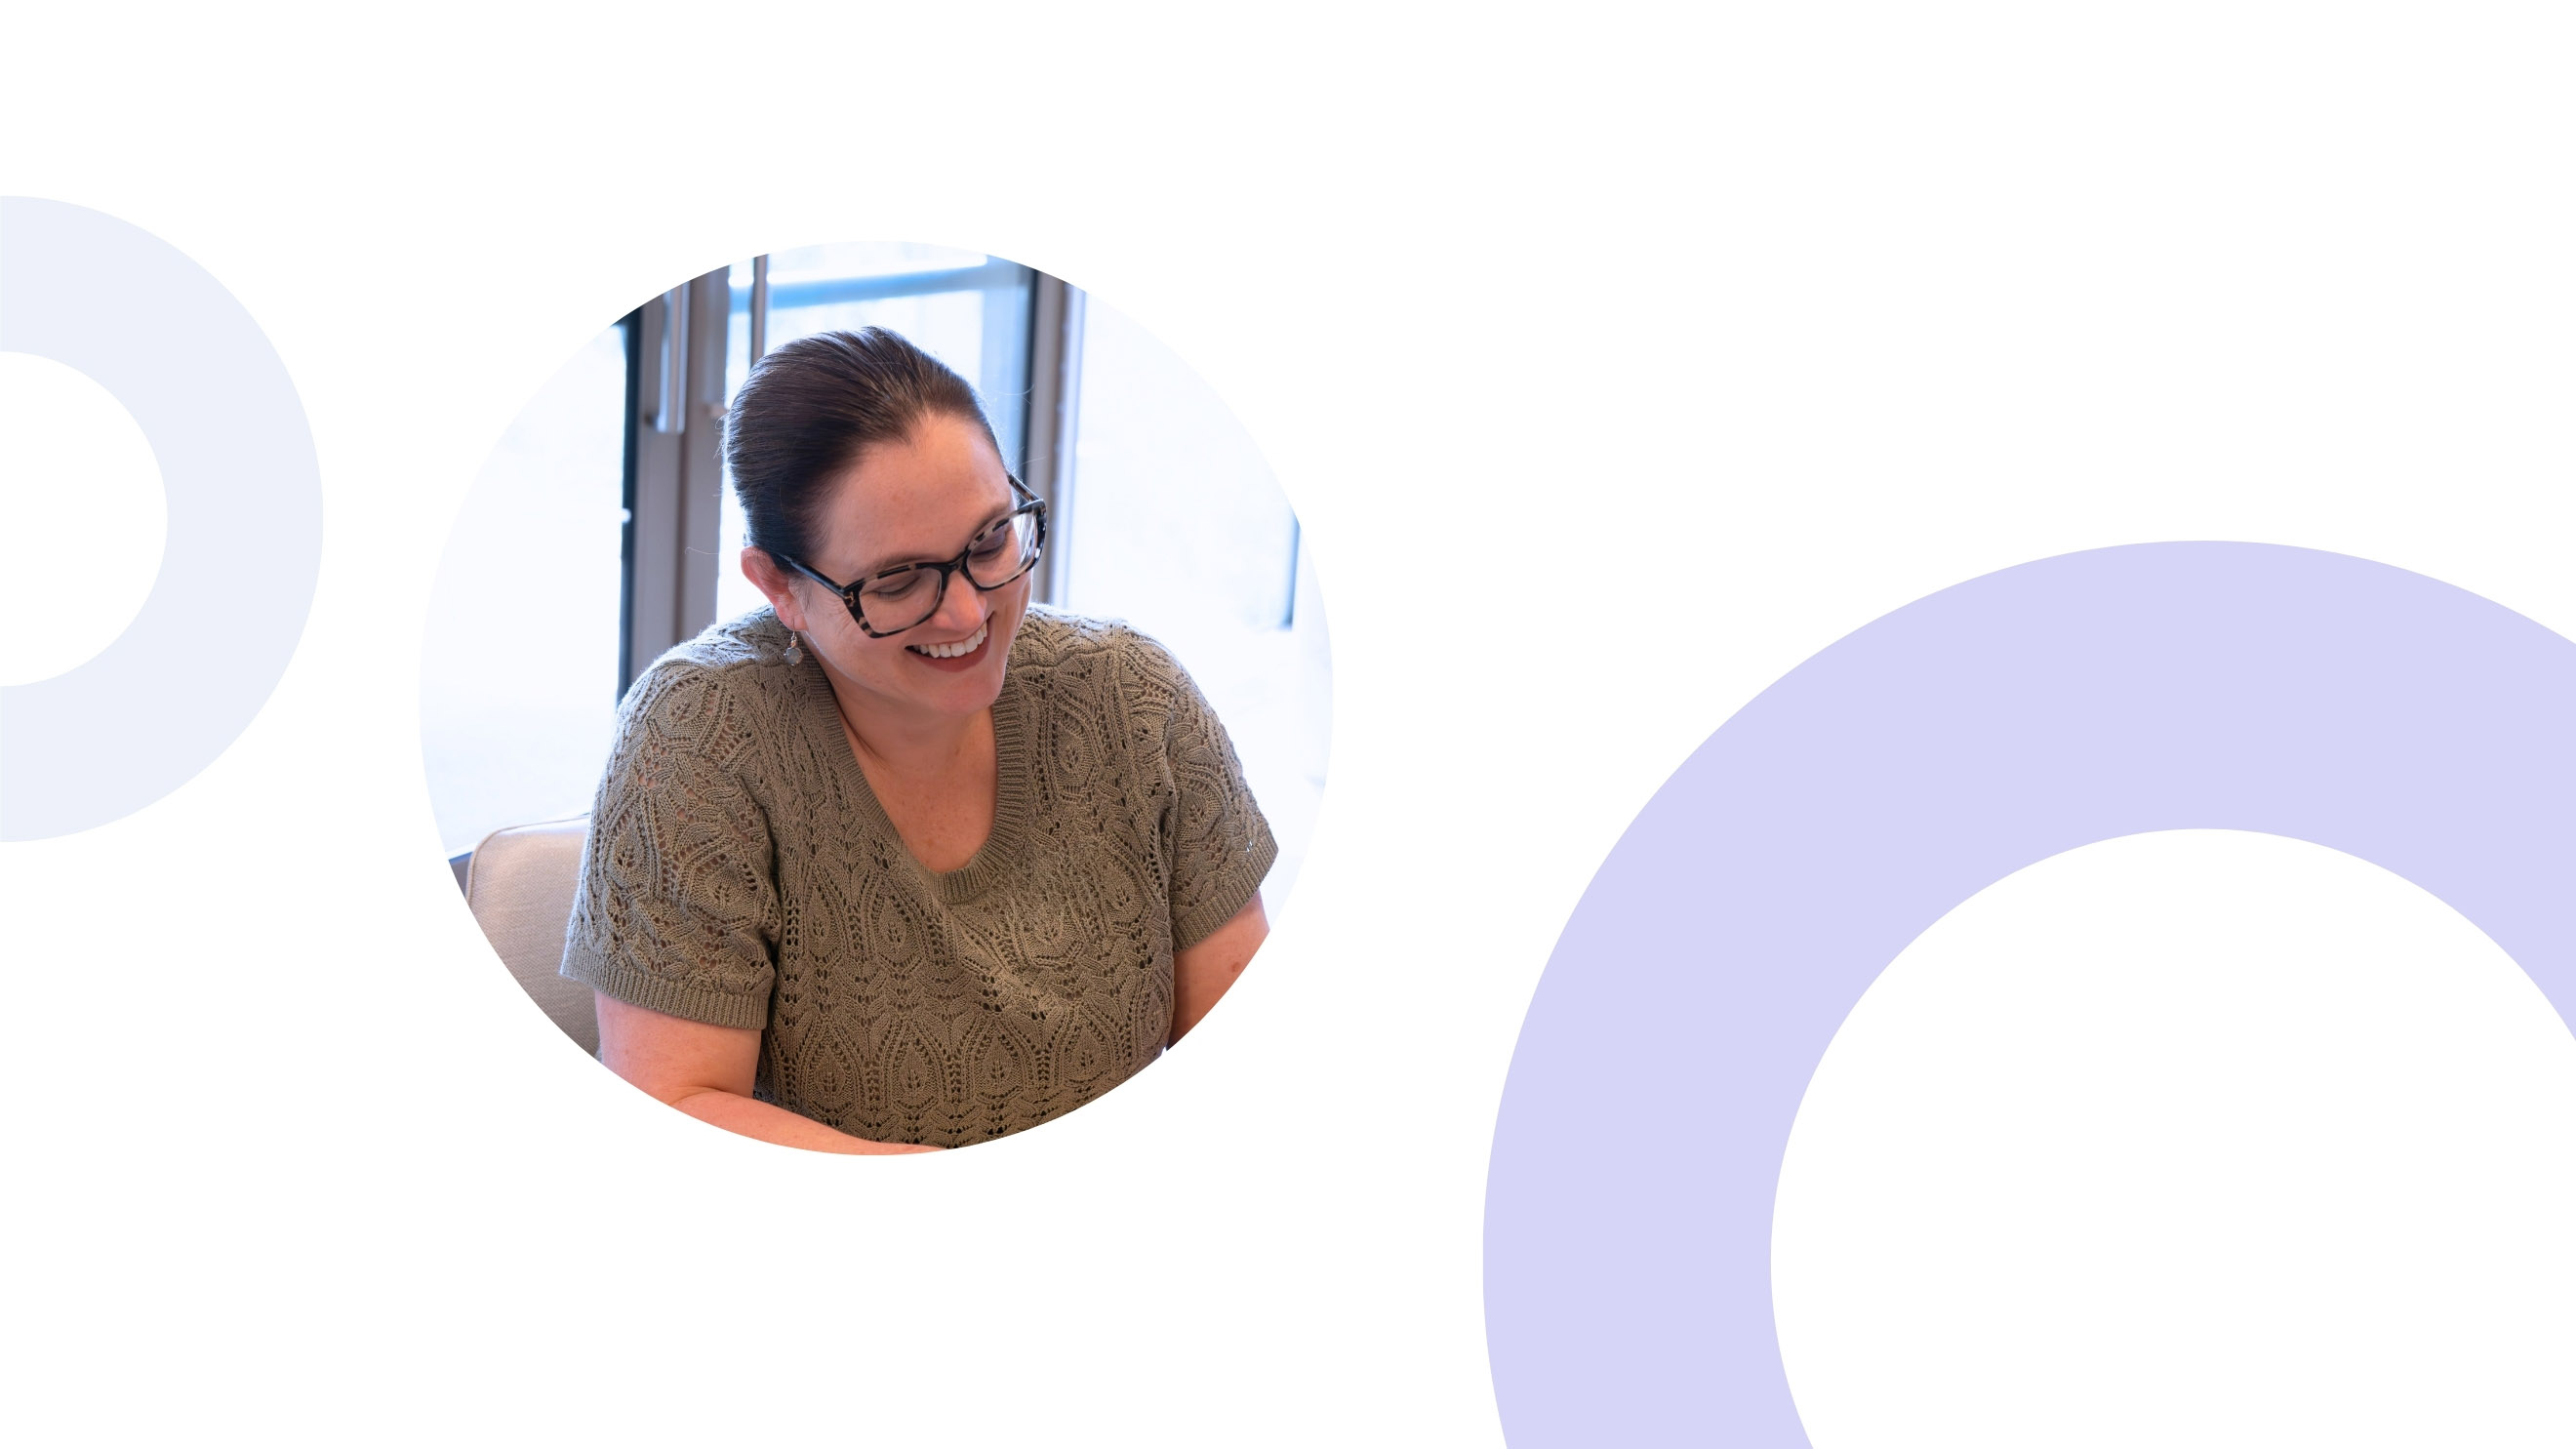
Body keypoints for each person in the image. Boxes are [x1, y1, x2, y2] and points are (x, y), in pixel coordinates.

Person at [560, 326, 1275, 1153]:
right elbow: (674, 1104)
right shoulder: (700, 739)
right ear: (780, 586)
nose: (969, 614)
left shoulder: (1130, 698)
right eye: (897, 580)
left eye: (989, 542)